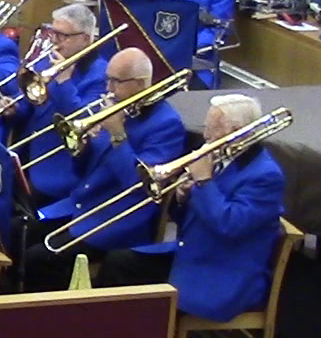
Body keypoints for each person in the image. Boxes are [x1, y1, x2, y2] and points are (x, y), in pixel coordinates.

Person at [95, 94, 285, 320]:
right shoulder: (221, 157)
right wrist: (182, 199)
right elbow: (191, 220)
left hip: (221, 273)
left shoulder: (266, 176)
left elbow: (229, 225)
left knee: (147, 312)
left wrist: (204, 182)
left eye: (212, 129)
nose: (205, 136)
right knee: (119, 263)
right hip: (192, 253)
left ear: (236, 131)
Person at [22, 48, 185, 292]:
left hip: (117, 220)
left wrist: (117, 134)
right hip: (83, 205)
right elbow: (83, 172)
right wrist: (82, 148)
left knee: (40, 258)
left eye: (116, 81)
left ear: (140, 84)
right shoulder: (118, 107)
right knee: (20, 231)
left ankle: (49, 311)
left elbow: (137, 185)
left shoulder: (166, 125)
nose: (108, 88)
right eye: (108, 79)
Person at [14, 2, 112, 204]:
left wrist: (64, 81)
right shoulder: (48, 59)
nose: (55, 40)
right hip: (26, 156)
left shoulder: (102, 74)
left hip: (61, 170)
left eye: (63, 35)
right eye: (53, 33)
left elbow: (84, 122)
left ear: (85, 38)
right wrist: (14, 106)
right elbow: (33, 101)